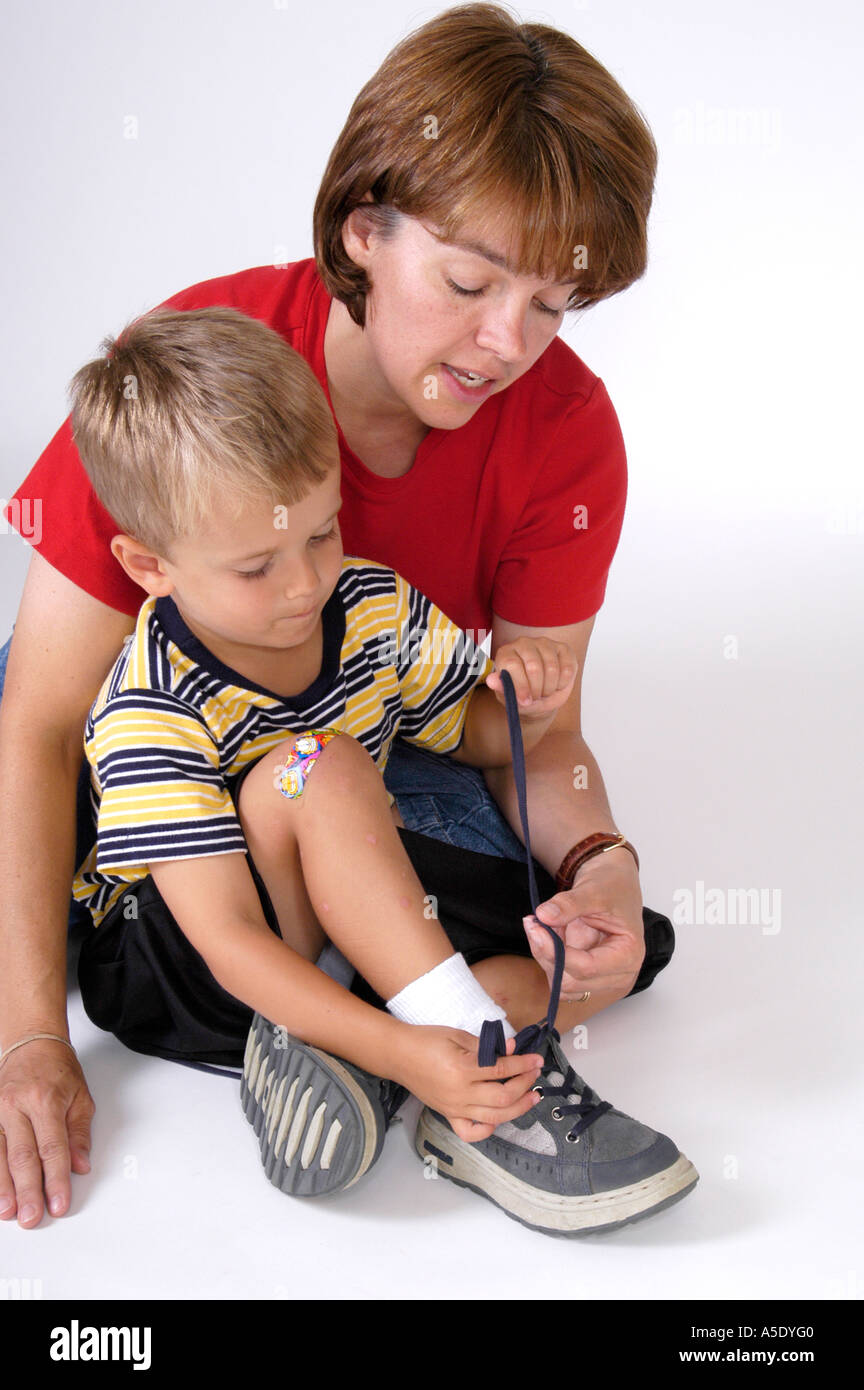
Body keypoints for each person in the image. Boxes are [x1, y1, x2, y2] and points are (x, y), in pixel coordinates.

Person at [0, 2, 683, 1233]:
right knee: (228, 795)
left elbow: (527, 735)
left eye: (553, 304)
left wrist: (602, 865)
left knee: (589, 934)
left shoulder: (554, 443)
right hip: (167, 757)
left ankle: (366, 1050)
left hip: (359, 727)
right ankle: (434, 1040)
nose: (505, 344)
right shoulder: (201, 373)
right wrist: (30, 1036)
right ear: (365, 227)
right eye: (470, 282)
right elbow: (41, 722)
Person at [67, 304, 696, 1235]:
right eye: (255, 566)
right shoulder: (147, 709)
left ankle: (372, 1052)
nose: (303, 585)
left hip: (342, 904)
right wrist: (411, 1046)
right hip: (195, 956)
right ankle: (480, 1088)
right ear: (147, 564)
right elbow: (230, 938)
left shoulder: (366, 603)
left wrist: (523, 699)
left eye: (320, 535)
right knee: (314, 766)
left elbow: (476, 739)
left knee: (604, 949)